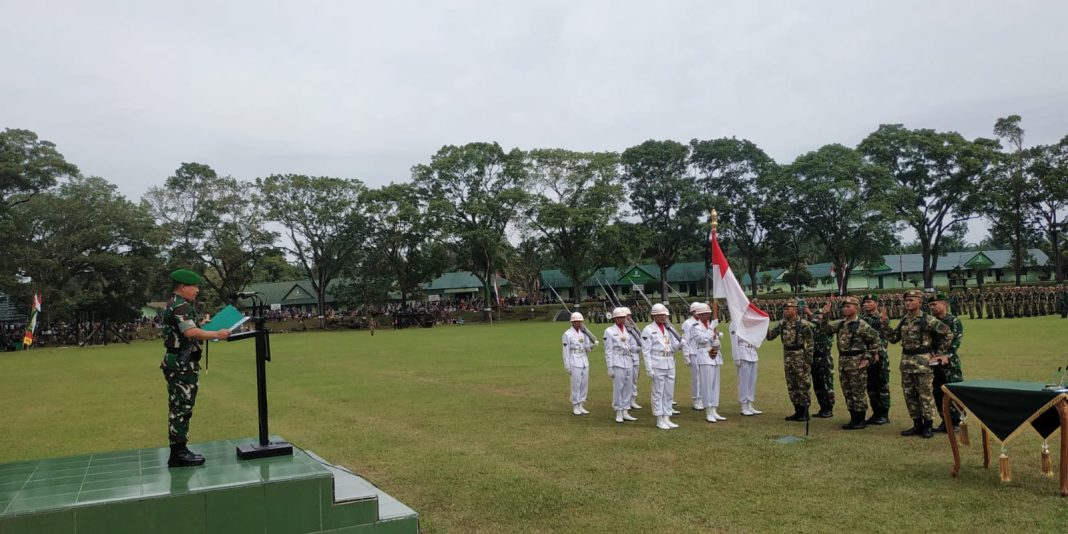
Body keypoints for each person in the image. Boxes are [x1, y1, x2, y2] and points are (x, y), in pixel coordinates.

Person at [161, 269, 230, 468]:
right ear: (183, 287)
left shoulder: (176, 303)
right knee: (181, 407)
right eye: (195, 286)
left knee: (181, 406)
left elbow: (186, 328)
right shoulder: (181, 305)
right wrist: (216, 332)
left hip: (179, 361)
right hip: (182, 363)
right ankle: (178, 453)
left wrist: (203, 325)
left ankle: (180, 449)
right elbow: (189, 332)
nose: (198, 290)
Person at [882, 289, 954, 438]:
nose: (907, 303)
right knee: (910, 395)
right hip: (907, 363)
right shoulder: (904, 320)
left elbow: (948, 333)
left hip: (923, 363)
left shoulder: (928, 319)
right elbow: (894, 339)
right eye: (906, 300)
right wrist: (885, 325)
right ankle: (917, 424)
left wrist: (940, 353)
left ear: (920, 302)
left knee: (925, 395)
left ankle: (928, 425)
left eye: (911, 300)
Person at [819, 296, 880, 430]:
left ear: (856, 308)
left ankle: (860, 419)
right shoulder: (841, 323)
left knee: (858, 391)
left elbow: (876, 340)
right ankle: (853, 418)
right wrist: (825, 315)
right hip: (844, 361)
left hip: (857, 361)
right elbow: (826, 329)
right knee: (847, 390)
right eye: (844, 307)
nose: (845, 309)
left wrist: (867, 357)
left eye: (849, 306)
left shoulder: (862, 324)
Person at [766, 299, 815, 422]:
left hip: (800, 356)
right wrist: (764, 324)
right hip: (787, 356)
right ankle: (797, 411)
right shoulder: (782, 324)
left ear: (795, 310)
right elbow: (770, 336)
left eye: (788, 309)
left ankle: (804, 412)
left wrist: (808, 361)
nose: (785, 311)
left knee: (802, 384)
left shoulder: (803, 324)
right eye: (784, 309)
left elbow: (810, 344)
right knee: (792, 385)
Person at [642, 303, 684, 430]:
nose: (662, 317)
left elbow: (672, 346)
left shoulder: (668, 329)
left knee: (668, 392)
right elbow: (646, 350)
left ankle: (667, 416)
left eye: (664, 315)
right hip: (657, 363)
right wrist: (649, 368)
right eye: (659, 315)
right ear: (653, 316)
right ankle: (659, 418)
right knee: (658, 392)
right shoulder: (648, 330)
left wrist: (680, 344)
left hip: (669, 362)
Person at [929, 293, 964, 432]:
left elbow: (956, 341)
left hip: (950, 362)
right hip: (933, 361)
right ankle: (945, 421)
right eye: (930, 305)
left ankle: (957, 422)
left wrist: (946, 355)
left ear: (944, 304)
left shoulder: (954, 321)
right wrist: (930, 352)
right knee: (937, 391)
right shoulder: (931, 321)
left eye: (935, 304)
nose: (932, 307)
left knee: (952, 391)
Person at [688, 303, 725, 423]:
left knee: (715, 384)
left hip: (714, 355)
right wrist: (711, 330)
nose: (707, 316)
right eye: (704, 314)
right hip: (704, 355)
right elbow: (702, 339)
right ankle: (708, 410)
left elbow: (714, 338)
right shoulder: (695, 326)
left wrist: (717, 341)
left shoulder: (710, 325)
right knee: (707, 384)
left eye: (708, 314)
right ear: (699, 315)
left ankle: (714, 409)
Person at [859, 295, 891, 425]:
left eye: (869, 302)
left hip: (879, 357)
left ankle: (884, 414)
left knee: (882, 386)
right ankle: (876, 413)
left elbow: (883, 338)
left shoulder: (881, 319)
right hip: (865, 357)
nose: (866, 304)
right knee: (870, 387)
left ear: (876, 304)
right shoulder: (861, 319)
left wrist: (876, 352)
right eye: (864, 302)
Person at [604, 308, 637, 423]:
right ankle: (618, 411)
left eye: (623, 317)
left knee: (628, 387)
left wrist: (639, 348)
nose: (621, 319)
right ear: (614, 318)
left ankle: (625, 410)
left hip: (628, 360)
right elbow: (608, 351)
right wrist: (610, 367)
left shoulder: (629, 330)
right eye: (618, 317)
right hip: (617, 361)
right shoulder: (609, 331)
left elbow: (632, 345)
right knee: (619, 387)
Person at [805, 305, 836, 418]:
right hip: (814, 358)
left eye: (820, 315)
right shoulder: (813, 328)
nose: (817, 317)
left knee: (826, 385)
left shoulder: (827, 328)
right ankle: (823, 407)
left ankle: (828, 408)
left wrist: (826, 314)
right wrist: (809, 313)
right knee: (817, 385)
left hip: (824, 359)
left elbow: (823, 322)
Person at [562, 312, 593, 416]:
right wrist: (567, 365)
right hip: (574, 359)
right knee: (576, 384)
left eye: (580, 321)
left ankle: (581, 404)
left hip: (584, 359)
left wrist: (592, 345)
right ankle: (575, 405)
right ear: (573, 322)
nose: (579, 323)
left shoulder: (584, 332)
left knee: (584, 383)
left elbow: (587, 347)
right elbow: (566, 351)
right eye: (577, 321)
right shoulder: (567, 334)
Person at [731, 322, 763, 416]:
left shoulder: (751, 322)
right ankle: (744, 405)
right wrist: (736, 357)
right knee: (744, 381)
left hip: (752, 352)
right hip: (742, 352)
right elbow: (734, 342)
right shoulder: (735, 324)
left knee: (752, 380)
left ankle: (750, 404)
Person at [681, 302, 704, 410]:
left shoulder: (702, 322)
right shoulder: (688, 323)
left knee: (703, 376)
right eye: (697, 311)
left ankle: (702, 398)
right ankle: (696, 400)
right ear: (692, 311)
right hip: (693, 352)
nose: (699, 313)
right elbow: (685, 340)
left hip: (702, 352)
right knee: (696, 377)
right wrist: (686, 355)